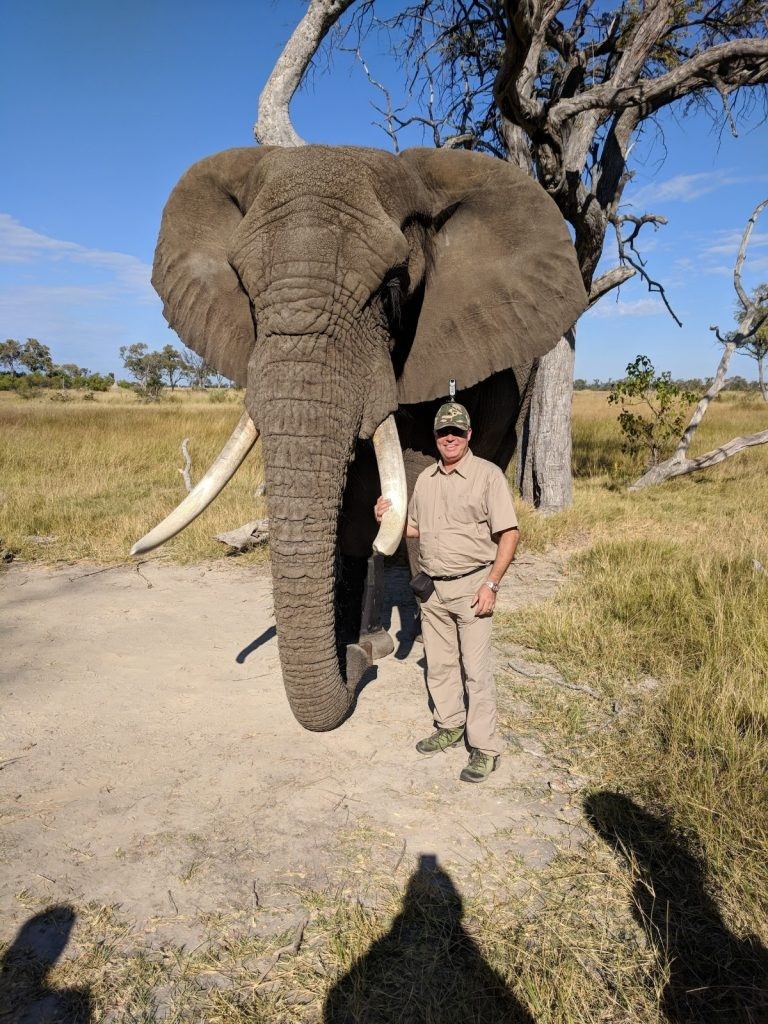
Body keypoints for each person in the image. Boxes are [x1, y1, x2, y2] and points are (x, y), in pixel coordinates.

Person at [375, 402, 519, 783]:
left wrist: (492, 584)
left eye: (457, 431)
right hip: (433, 591)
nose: (450, 437)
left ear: (469, 434)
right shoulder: (425, 480)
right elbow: (414, 529)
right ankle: (450, 724)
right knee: (439, 666)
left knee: (476, 672)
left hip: (474, 588)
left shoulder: (488, 476)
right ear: (436, 438)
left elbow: (509, 533)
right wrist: (387, 516)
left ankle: (485, 748)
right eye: (443, 432)